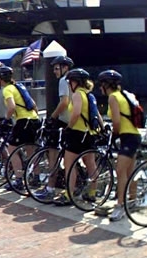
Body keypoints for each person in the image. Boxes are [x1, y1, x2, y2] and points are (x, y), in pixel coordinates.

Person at [54, 68, 103, 206]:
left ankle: (69, 195)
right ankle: (92, 193)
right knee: (91, 164)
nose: (69, 84)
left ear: (75, 82)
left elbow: (75, 114)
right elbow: (97, 115)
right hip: (90, 134)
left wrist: (69, 127)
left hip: (77, 133)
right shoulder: (89, 95)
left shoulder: (76, 95)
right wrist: (103, 127)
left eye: (70, 81)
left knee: (70, 165)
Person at [98, 70, 142, 221]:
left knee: (120, 170)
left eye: (101, 84)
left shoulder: (113, 97)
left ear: (106, 85)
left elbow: (116, 122)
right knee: (129, 171)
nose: (100, 88)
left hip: (127, 136)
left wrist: (114, 135)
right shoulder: (125, 94)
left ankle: (120, 207)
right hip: (134, 135)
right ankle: (132, 201)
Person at [34, 56, 74, 201]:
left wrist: (53, 117)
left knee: (53, 153)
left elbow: (64, 102)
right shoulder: (74, 81)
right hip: (75, 122)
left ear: (65, 68)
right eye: (53, 68)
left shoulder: (64, 81)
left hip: (64, 121)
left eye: (57, 68)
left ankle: (50, 188)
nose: (54, 71)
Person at [0, 65, 41, 189]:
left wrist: (6, 119)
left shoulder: (7, 89)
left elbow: (11, 107)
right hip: (33, 120)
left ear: (0, 79)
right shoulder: (19, 86)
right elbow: (33, 104)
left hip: (23, 121)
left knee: (12, 150)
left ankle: (19, 180)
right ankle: (36, 178)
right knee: (31, 150)